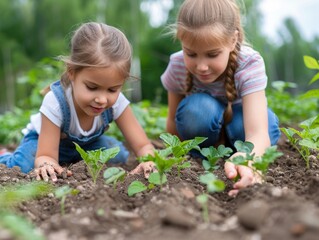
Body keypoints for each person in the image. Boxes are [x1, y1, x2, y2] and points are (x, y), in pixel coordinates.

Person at [0, 22, 156, 182]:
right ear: (72, 72)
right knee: (25, 165)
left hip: (87, 146)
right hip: (45, 144)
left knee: (119, 155)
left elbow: (143, 145)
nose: (102, 100)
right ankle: (4, 157)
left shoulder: (117, 103)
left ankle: (72, 161)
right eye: (92, 87)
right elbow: (45, 155)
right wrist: (47, 164)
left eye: (112, 90)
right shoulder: (55, 102)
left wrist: (148, 161)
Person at [161, 0, 281, 196]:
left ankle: (235, 151)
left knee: (267, 126)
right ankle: (207, 153)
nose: (201, 66)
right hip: (204, 129)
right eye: (190, 53)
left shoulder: (249, 63)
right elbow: (172, 121)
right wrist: (173, 159)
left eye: (212, 54)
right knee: (197, 112)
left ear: (233, 41)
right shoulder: (177, 65)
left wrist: (248, 159)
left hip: (243, 124)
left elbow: (258, 132)